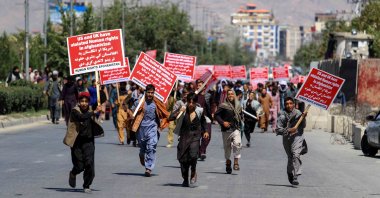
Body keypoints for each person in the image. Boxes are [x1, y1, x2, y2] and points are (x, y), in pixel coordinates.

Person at [63, 92, 104, 193]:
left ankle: (86, 185)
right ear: (79, 102)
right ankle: (73, 173)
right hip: (77, 142)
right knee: (80, 166)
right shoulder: (75, 111)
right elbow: (82, 117)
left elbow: (100, 102)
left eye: (86, 101)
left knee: (89, 164)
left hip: (89, 141)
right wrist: (94, 112)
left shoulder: (91, 110)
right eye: (82, 101)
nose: (84, 103)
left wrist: (99, 108)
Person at [169, 92, 209, 187]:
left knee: (193, 155)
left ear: (195, 103)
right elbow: (170, 118)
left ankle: (193, 171)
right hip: (184, 136)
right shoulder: (182, 110)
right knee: (183, 159)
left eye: (193, 102)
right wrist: (179, 111)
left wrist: (206, 131)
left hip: (195, 136)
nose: (191, 104)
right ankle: (185, 179)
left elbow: (204, 121)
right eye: (189, 102)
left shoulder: (199, 111)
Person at [131, 84, 170, 177]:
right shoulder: (139, 102)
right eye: (148, 92)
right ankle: (141, 153)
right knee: (143, 147)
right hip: (141, 129)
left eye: (152, 93)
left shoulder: (156, 103)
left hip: (152, 128)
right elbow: (131, 111)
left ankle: (148, 168)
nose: (150, 94)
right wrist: (132, 113)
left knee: (151, 147)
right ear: (145, 92)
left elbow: (164, 111)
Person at [275, 97, 308, 186]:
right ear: (284, 105)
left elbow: (303, 126)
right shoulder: (281, 115)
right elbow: (278, 130)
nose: (289, 105)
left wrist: (303, 118)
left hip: (298, 137)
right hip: (287, 138)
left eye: (290, 103)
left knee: (296, 155)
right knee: (290, 157)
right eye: (287, 104)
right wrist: (289, 130)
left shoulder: (298, 113)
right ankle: (290, 172)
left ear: (294, 104)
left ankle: (295, 176)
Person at [214, 89, 242, 174]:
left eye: (232, 94)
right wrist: (223, 122)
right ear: (227, 96)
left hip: (235, 129)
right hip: (226, 130)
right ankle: (228, 163)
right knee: (227, 149)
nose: (230, 95)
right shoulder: (223, 105)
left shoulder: (238, 106)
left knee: (238, 144)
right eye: (229, 94)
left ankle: (236, 161)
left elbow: (240, 116)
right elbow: (216, 115)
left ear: (234, 95)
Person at [195, 79, 212, 160]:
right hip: (195, 118)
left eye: (200, 85)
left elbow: (212, 105)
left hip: (205, 118)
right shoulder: (194, 95)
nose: (199, 87)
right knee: (196, 137)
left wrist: (212, 113)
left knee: (207, 136)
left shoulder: (208, 96)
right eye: (197, 85)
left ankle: (202, 151)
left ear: (204, 87)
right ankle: (199, 151)